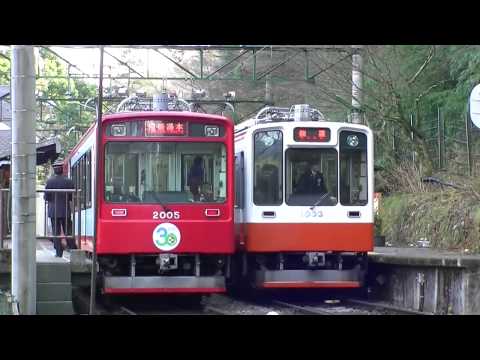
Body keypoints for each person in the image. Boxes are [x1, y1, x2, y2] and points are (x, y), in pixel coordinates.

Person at [44, 158, 77, 257]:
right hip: (65, 210)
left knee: (56, 232)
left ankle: (58, 253)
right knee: (68, 232)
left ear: (54, 170)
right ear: (62, 169)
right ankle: (73, 251)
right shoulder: (69, 181)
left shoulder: (49, 182)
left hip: (53, 211)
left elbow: (46, 197)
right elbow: (71, 197)